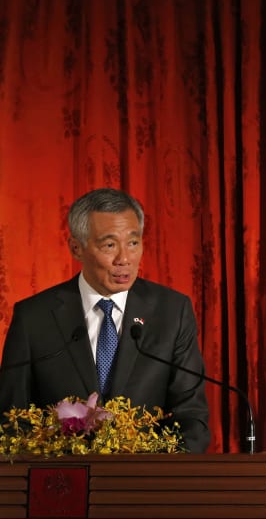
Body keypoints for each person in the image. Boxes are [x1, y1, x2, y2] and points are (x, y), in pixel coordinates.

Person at [0, 188, 210, 452]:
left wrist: (163, 481)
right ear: (76, 248)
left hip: (150, 485)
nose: (124, 259)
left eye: (133, 243)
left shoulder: (172, 312)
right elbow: (11, 419)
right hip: (63, 484)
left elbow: (192, 417)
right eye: (109, 245)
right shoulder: (34, 318)